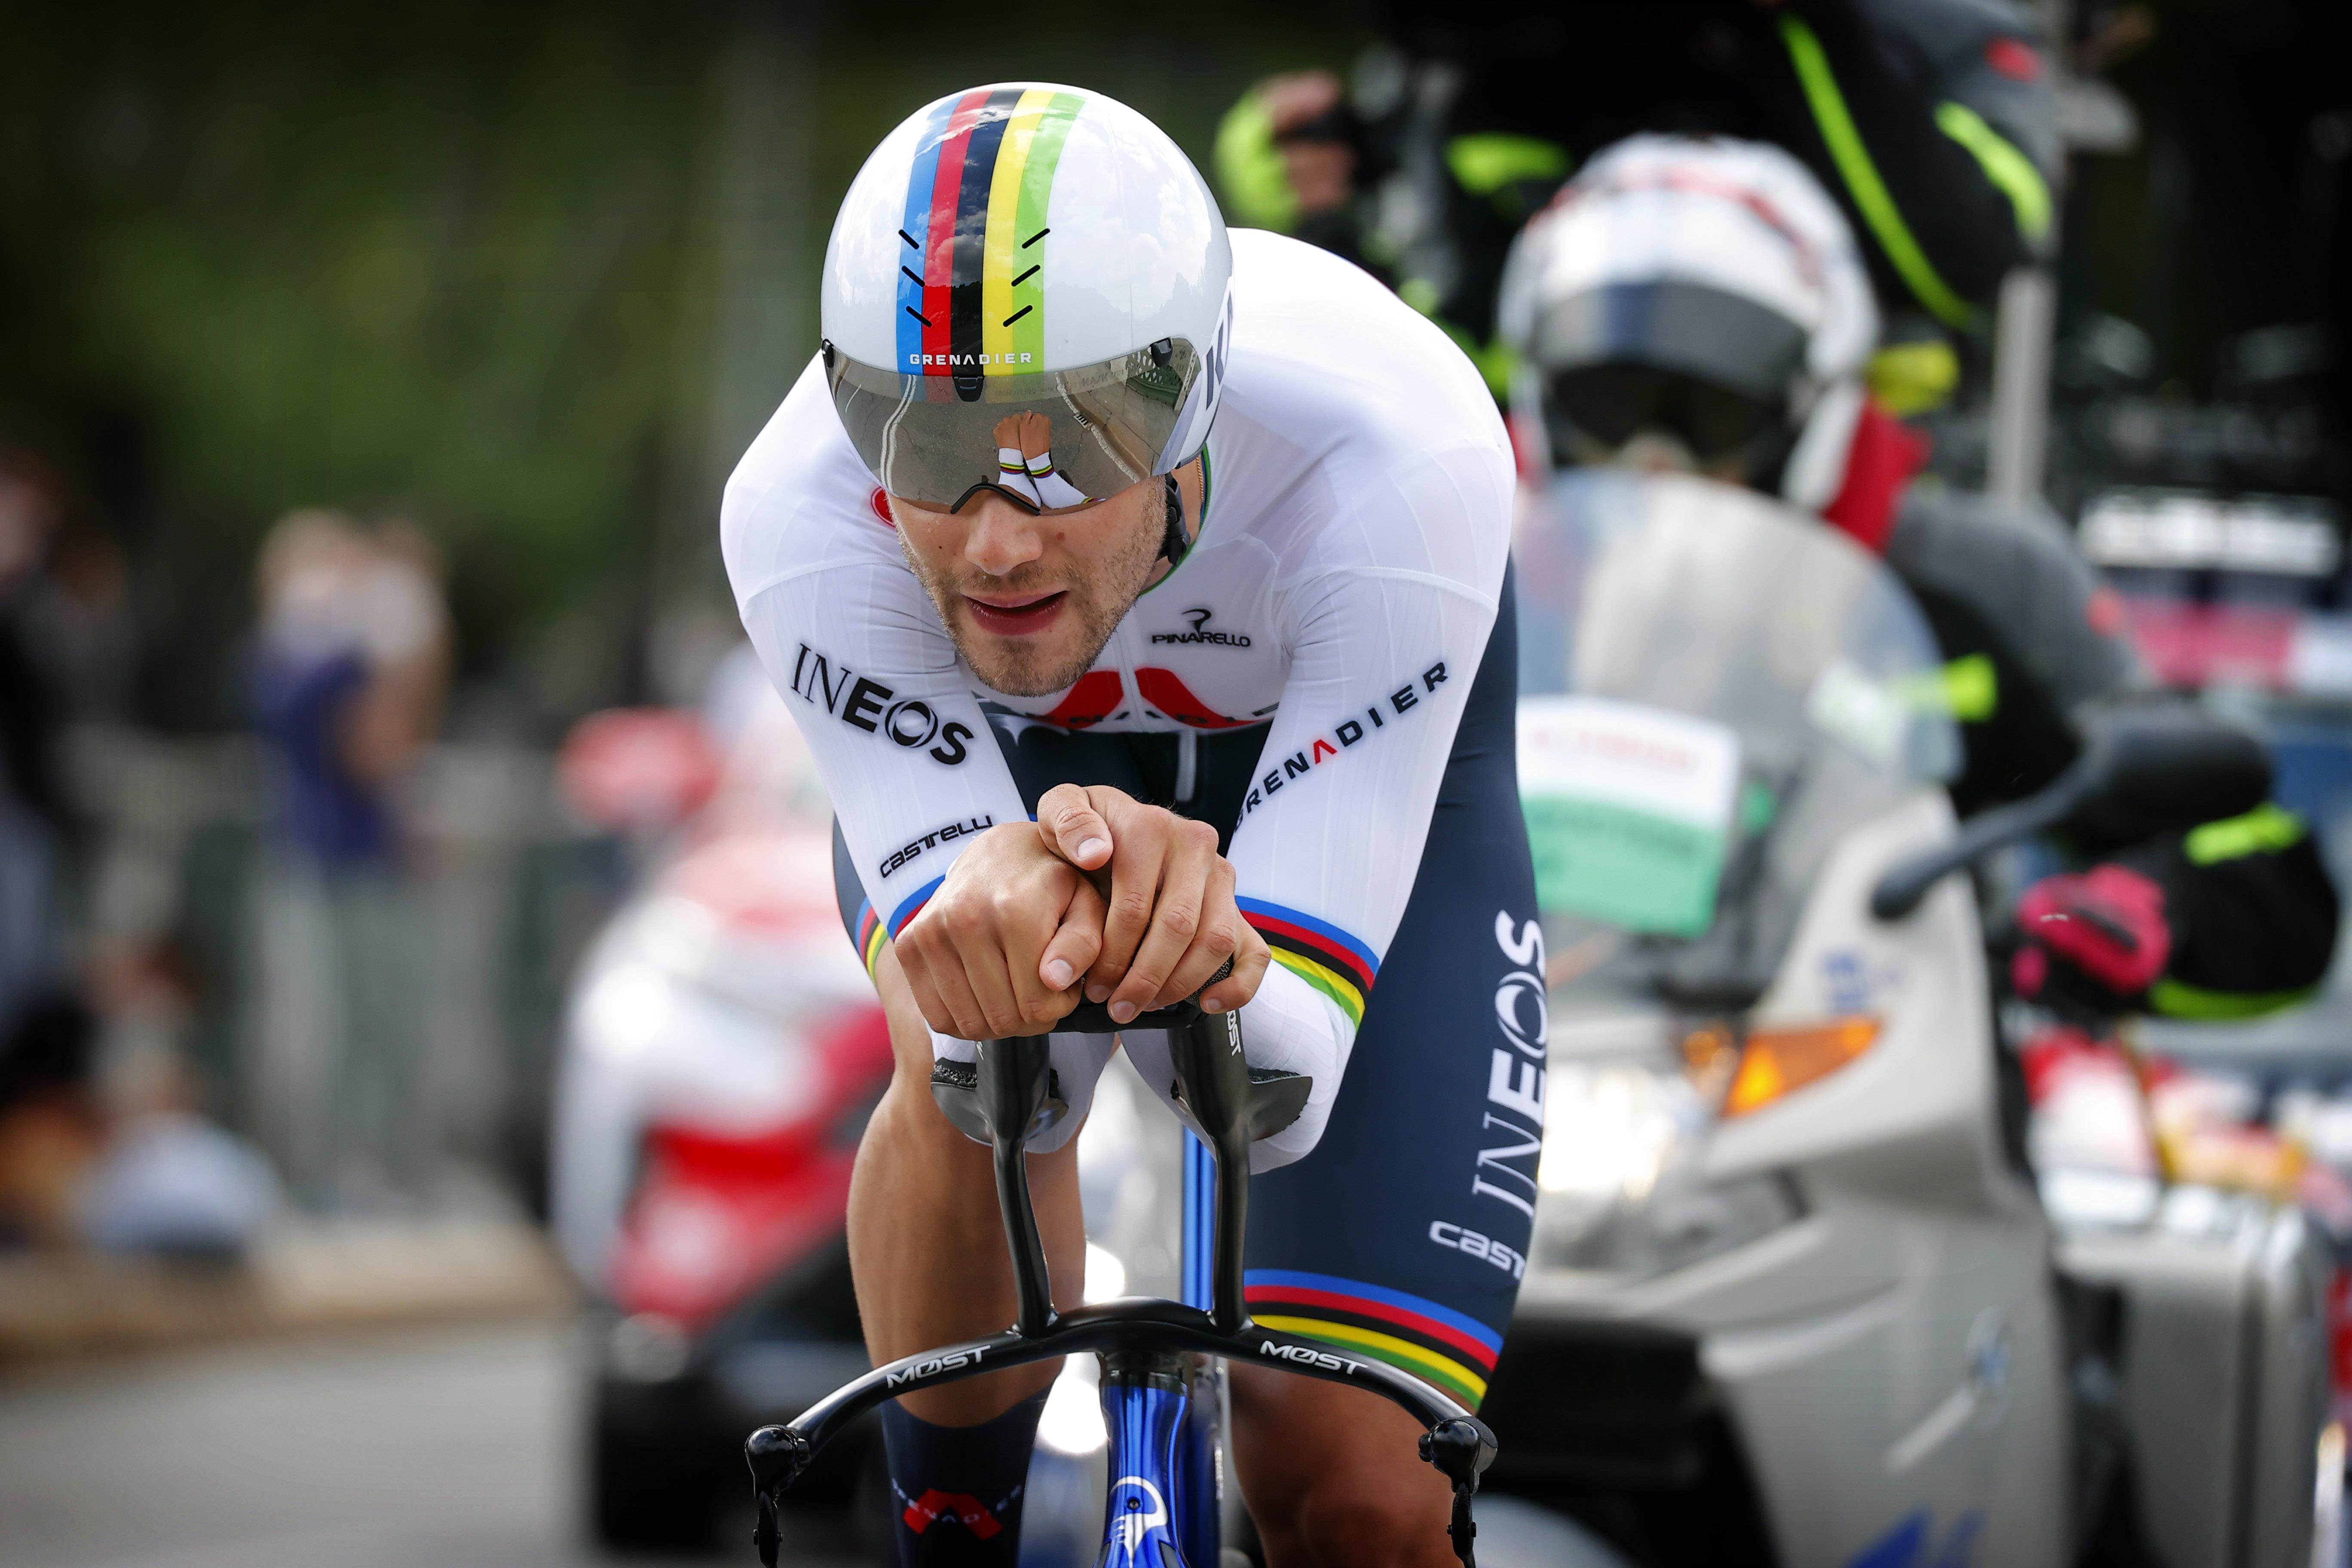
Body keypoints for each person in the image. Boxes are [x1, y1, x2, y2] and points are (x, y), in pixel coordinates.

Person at [723, 85, 1536, 1568]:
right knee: (984, 1060)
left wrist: (1175, 929)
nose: (995, 537)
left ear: (1194, 397)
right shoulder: (800, 509)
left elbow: (1277, 1078)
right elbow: (996, 1019)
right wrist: (1059, 908)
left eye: (1063, 448)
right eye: (927, 446)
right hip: (1016, 770)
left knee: (1357, 1495)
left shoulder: (1401, 449)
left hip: (1323, 742)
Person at [1496, 134, 2339, 1028]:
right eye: (1609, 405)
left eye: (1715, 412)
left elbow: (2249, 860)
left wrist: (2141, 910)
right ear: (1543, 399)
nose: (1655, 457)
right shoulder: (1466, 580)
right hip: (1528, 1059)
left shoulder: (1976, 586)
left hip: (1877, 1076)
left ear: (1810, 406)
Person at [1216, 0, 2057, 412]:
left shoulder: (1946, 28)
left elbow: (1969, 251)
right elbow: (1441, 366)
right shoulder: (1504, 52)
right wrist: (1314, 221)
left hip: (1852, 533)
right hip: (1565, 516)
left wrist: (1803, 27)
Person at [246, 510, 450, 1209]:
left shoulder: (358, 655)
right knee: (315, 1031)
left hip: (371, 861)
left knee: (386, 1023)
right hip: (311, 859)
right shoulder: (292, 658)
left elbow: (393, 737)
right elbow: (326, 734)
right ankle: (314, 1177)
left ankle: (390, 1172)